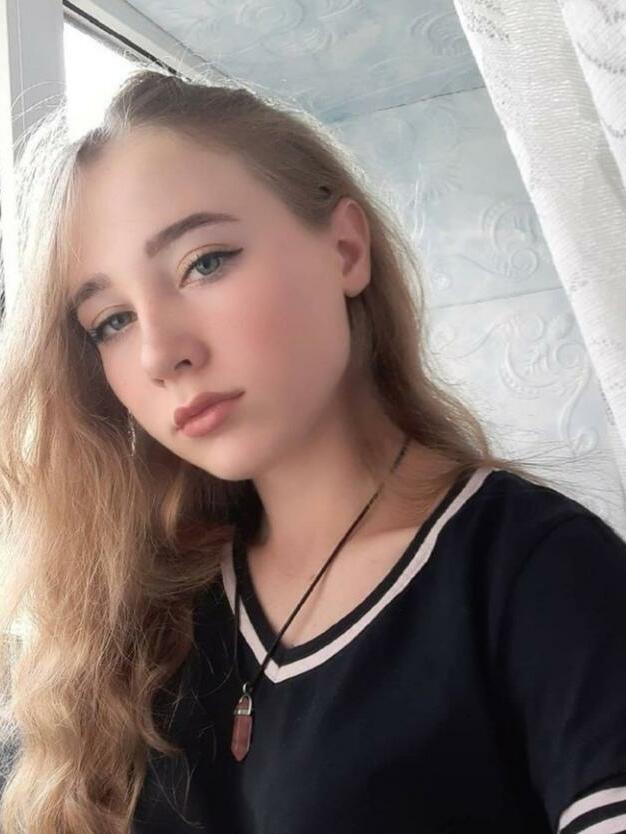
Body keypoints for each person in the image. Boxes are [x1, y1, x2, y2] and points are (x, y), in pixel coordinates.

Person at [0, 66, 625, 834]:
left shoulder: (536, 572)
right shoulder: (134, 627)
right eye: (112, 321)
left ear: (346, 249)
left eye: (205, 262)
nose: (161, 352)